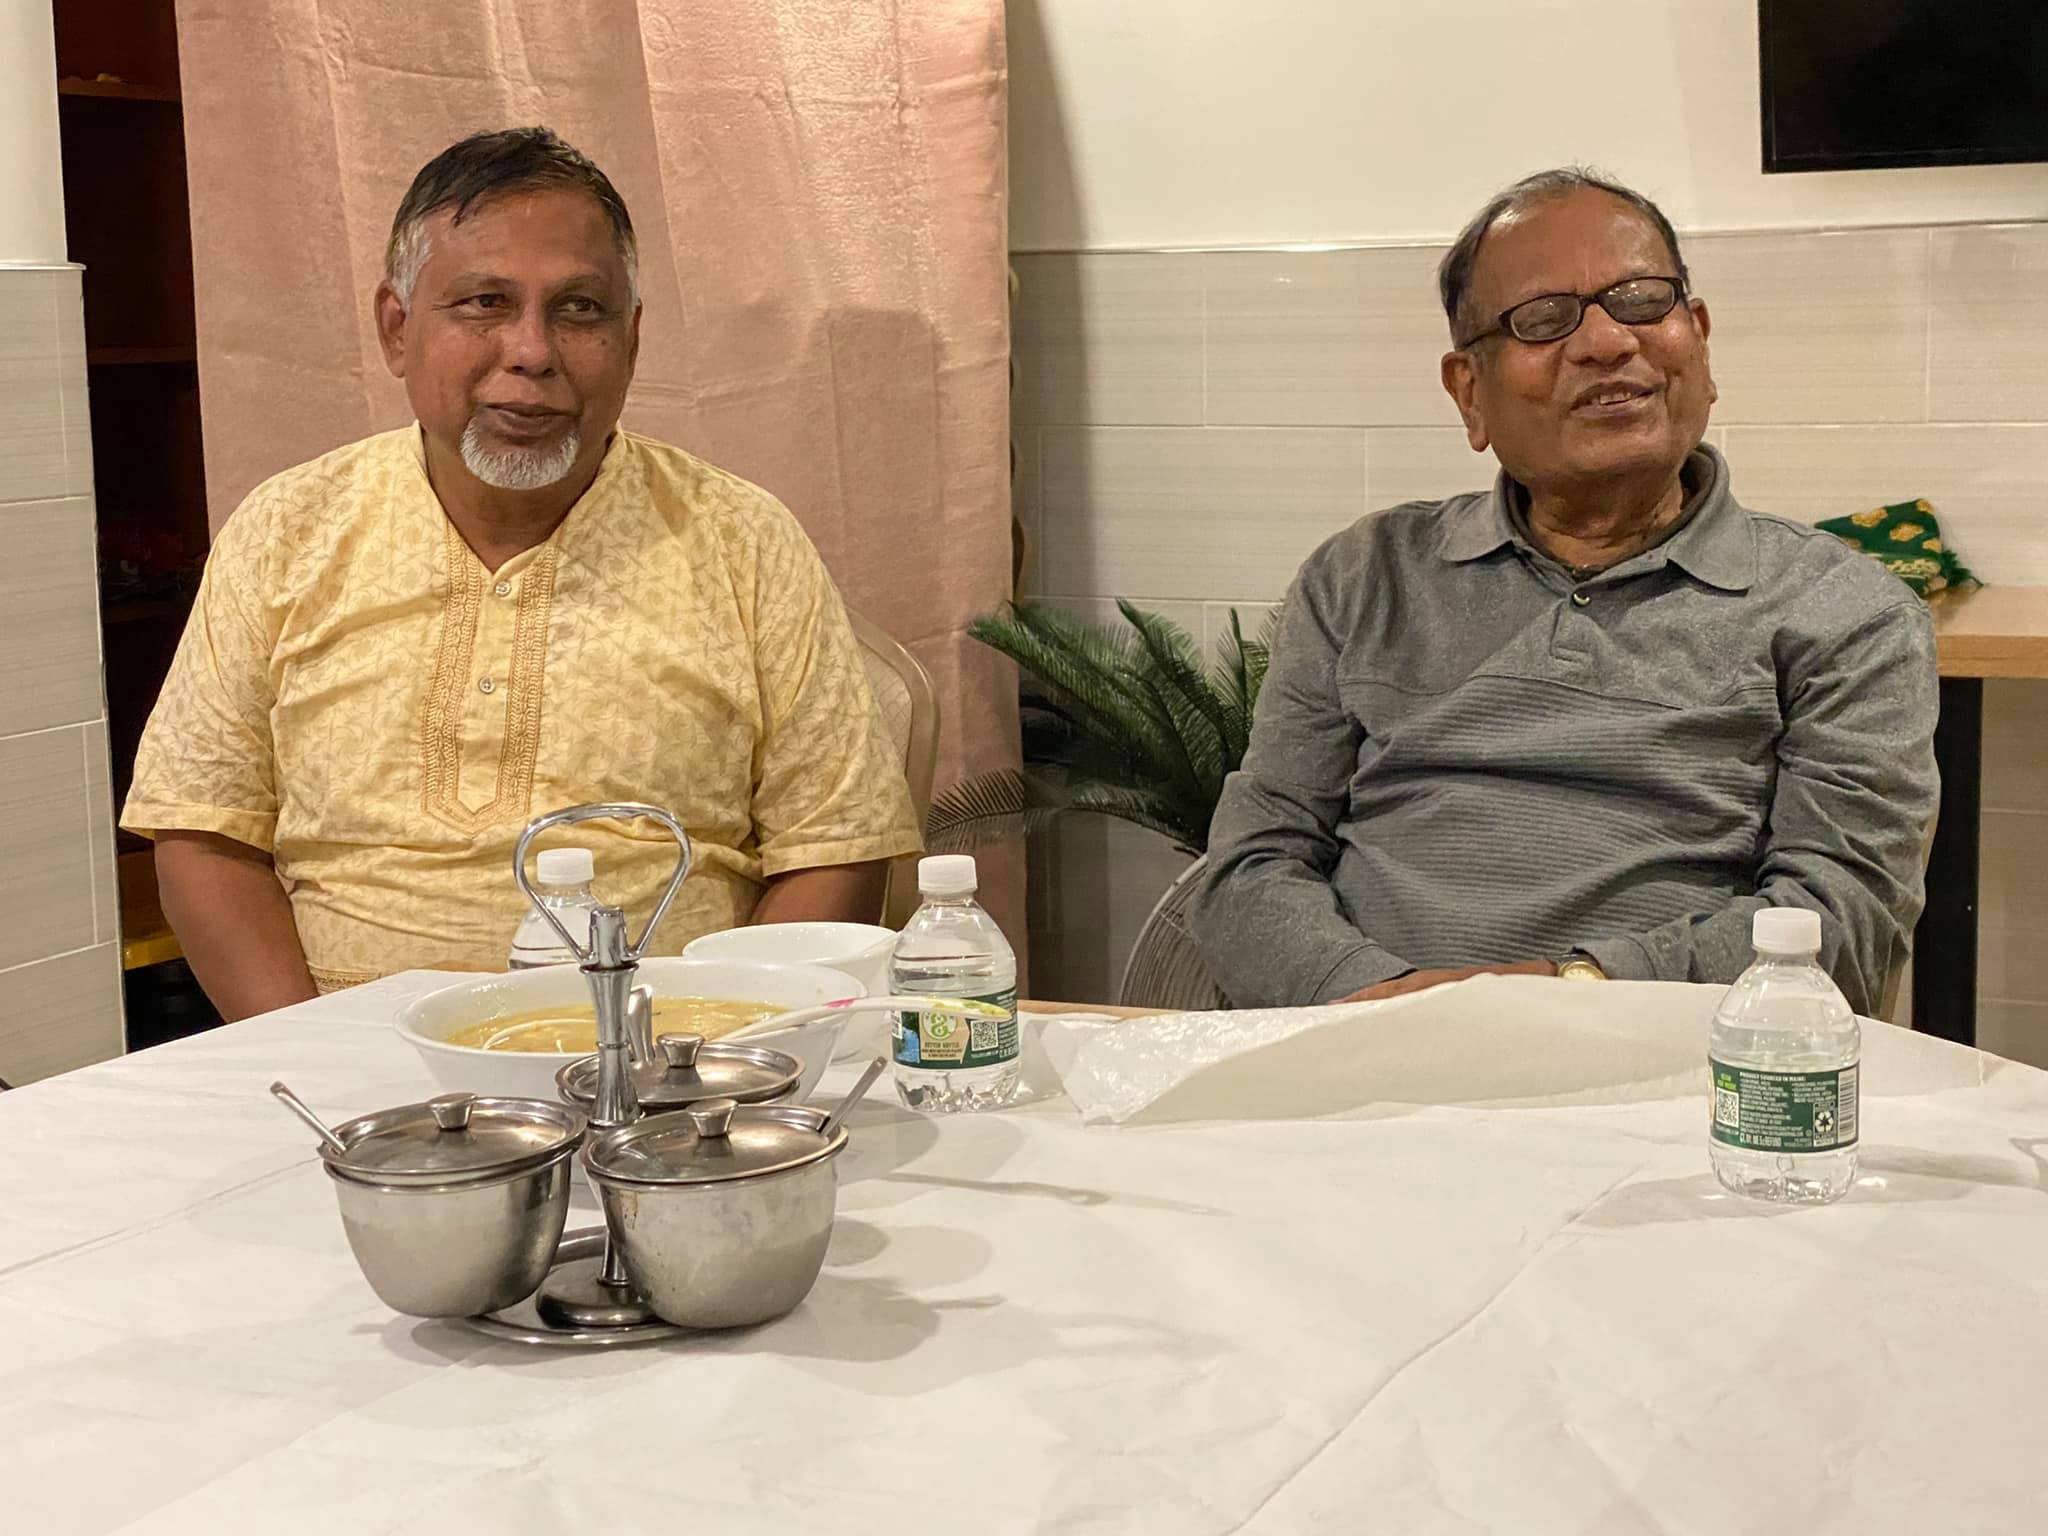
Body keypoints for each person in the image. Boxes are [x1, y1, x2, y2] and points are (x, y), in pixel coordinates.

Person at [123, 128, 921, 1020]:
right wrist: (310, 1053)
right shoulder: (287, 529)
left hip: (659, 1057)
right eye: (484, 303)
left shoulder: (743, 540)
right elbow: (203, 831)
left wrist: (706, 1048)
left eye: (580, 308)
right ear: (397, 329)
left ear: (632, 338)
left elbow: (836, 846)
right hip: (340, 1059)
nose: (532, 350)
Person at [1189, 168, 1937, 1016]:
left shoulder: (1843, 611)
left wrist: (1564, 997)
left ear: (1698, 341)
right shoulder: (1364, 577)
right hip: (1353, 1049)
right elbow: (1250, 866)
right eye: (1543, 319)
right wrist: (1383, 1006)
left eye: (1642, 301)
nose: (1608, 342)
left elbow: (1843, 925)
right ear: (1469, 393)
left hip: (1666, 1068)